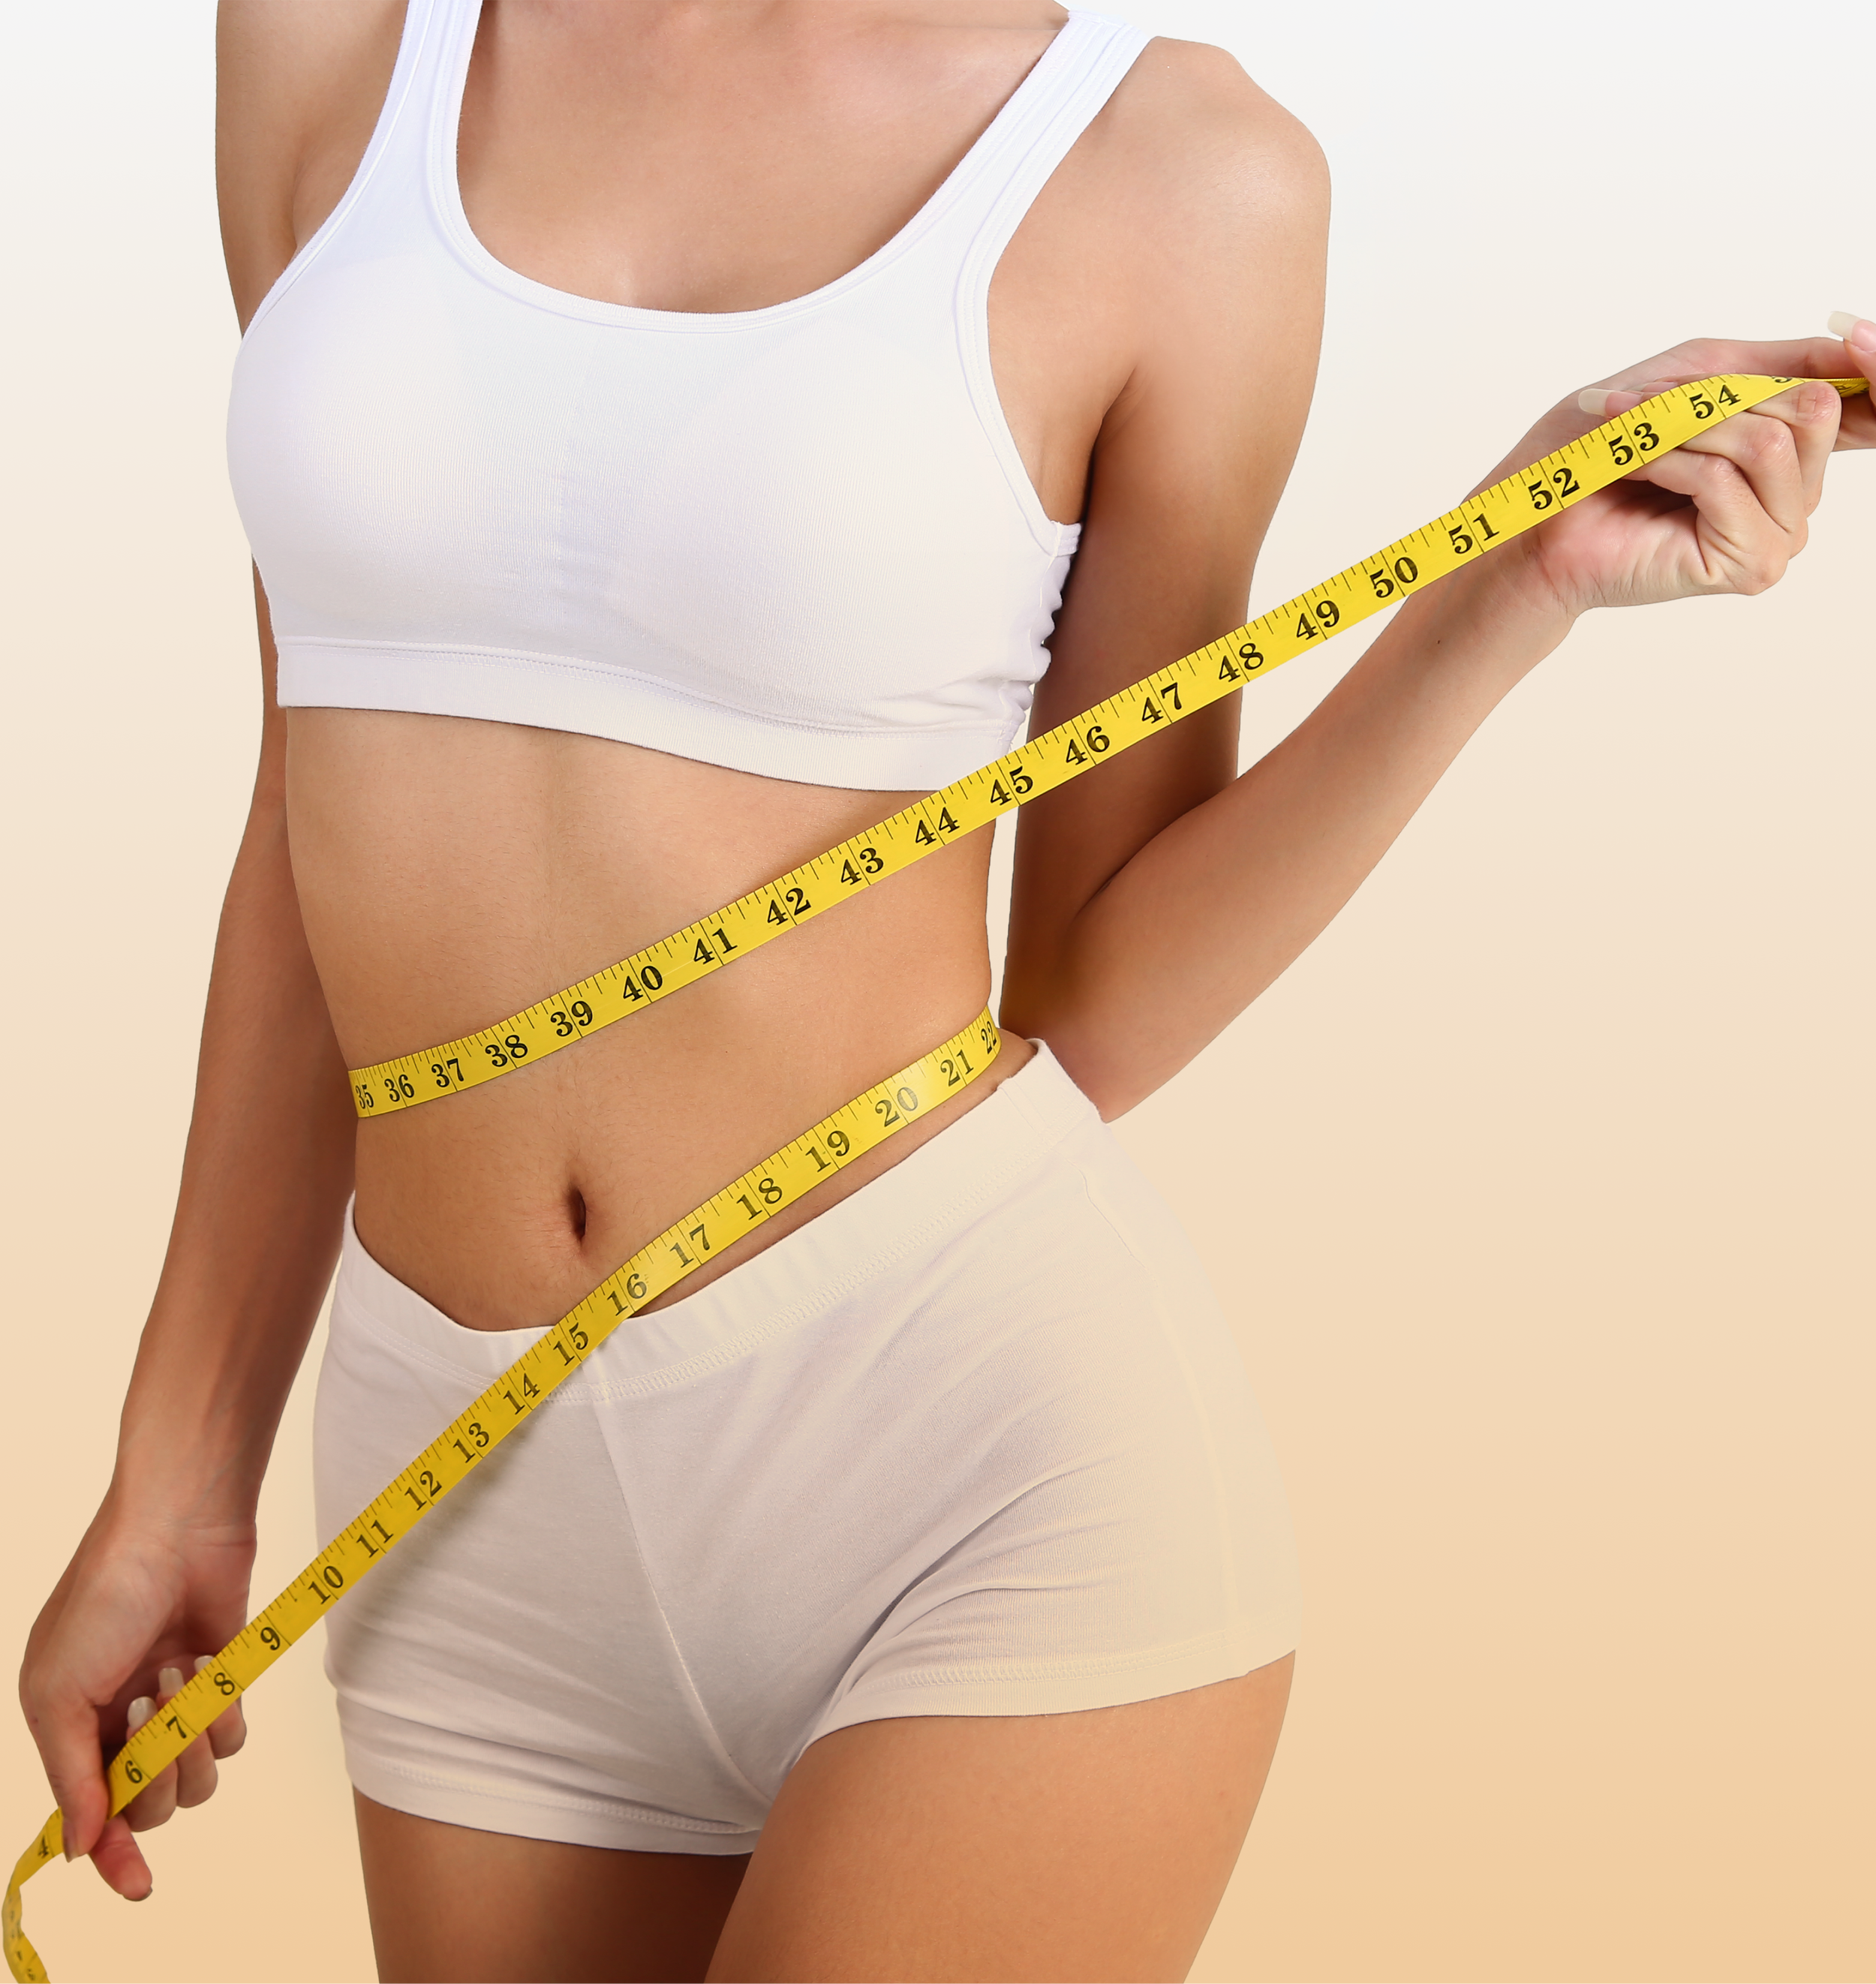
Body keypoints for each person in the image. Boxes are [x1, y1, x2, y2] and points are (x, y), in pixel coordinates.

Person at [17, 0, 1871, 1977]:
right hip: (454, 1487)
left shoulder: (1177, 169)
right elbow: (313, 776)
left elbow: (1092, 986)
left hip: (948, 1448)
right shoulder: (334, 40)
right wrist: (176, 1466)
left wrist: (1495, 597)